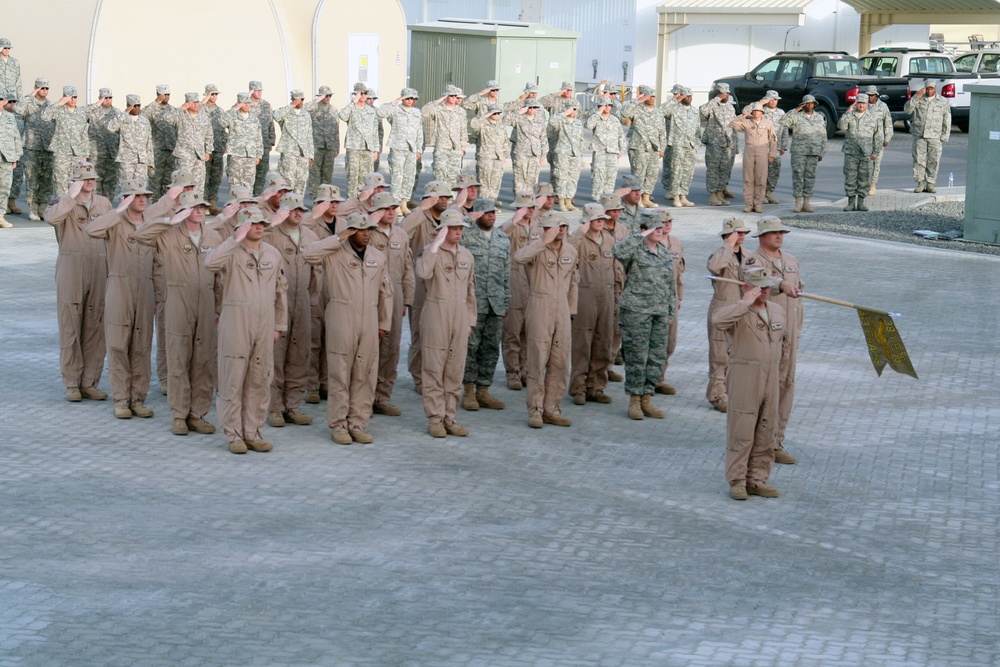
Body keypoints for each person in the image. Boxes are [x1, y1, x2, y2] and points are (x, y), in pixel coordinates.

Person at [133, 188, 223, 436]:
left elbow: (219, 278)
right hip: (177, 301)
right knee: (178, 359)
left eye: (202, 208)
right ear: (183, 210)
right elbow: (140, 236)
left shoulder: (213, 238)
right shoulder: (168, 235)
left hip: (205, 302)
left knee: (203, 361)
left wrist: (218, 307)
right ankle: (179, 414)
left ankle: (198, 414)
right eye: (193, 207)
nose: (199, 211)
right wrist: (167, 221)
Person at [204, 206, 288, 454]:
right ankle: (234, 434)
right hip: (236, 323)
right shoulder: (230, 252)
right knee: (233, 380)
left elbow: (281, 290)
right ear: (241, 227)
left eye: (261, 223)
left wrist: (279, 325)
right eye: (252, 223)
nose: (259, 227)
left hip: (265, 324)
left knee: (260, 380)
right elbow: (210, 263)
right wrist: (233, 239)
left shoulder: (273, 253)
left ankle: (253, 432)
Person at [304, 211, 392, 445]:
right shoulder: (334, 254)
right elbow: (310, 254)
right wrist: (339, 237)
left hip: (369, 318)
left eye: (369, 230)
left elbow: (386, 292)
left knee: (365, 374)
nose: (366, 235)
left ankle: (358, 422)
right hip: (342, 316)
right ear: (351, 231)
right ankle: (339, 425)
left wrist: (383, 323)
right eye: (361, 230)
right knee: (340, 373)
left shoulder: (377, 256)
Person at [712, 267, 789, 500]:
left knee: (767, 429)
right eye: (759, 286)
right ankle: (737, 480)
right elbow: (717, 321)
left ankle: (757, 479)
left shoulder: (776, 310)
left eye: (767, 286)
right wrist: (744, 304)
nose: (764, 291)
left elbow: (784, 343)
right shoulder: (737, 311)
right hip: (745, 375)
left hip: (771, 376)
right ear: (747, 287)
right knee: (742, 430)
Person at [85, 176, 158, 420]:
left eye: (144, 196)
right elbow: (91, 230)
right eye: (135, 196)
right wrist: (118, 211)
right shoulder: (116, 222)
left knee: (142, 346)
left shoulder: (151, 223)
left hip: (145, 288)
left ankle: (138, 399)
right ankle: (121, 400)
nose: (141, 200)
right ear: (126, 199)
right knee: (118, 345)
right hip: (119, 285)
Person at [44, 161, 111, 402]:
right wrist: (70, 196)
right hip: (72, 268)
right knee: (71, 325)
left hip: (99, 267)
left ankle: (89, 381)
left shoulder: (104, 203)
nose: (90, 181)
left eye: (92, 177)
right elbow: (51, 219)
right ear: (74, 181)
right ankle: (72, 382)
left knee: (95, 326)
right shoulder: (61, 202)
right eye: (84, 178)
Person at [742, 216, 802, 465]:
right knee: (766, 389)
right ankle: (759, 443)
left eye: (781, 232)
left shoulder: (790, 260)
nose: (779, 236)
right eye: (774, 232)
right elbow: (757, 278)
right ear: (762, 236)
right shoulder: (753, 260)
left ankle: (776, 441)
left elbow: (798, 295)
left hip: (789, 335)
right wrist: (780, 283)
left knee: (785, 386)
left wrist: (796, 328)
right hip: (766, 335)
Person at [513, 211, 578, 429]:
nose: (560, 230)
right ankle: (535, 410)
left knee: (560, 361)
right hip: (540, 304)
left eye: (563, 227)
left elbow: (573, 282)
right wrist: (543, 241)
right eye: (555, 227)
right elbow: (519, 258)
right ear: (545, 229)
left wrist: (571, 310)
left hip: (562, 308)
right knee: (537, 360)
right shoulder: (537, 248)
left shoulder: (571, 251)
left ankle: (552, 408)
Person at [418, 208, 477, 437]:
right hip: (436, 313)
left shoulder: (466, 256)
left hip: (460, 317)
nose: (458, 232)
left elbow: (471, 290)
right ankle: (435, 418)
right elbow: (423, 273)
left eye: (461, 228)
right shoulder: (430, 252)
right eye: (453, 228)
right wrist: (435, 244)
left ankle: (450, 418)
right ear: (443, 229)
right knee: (434, 368)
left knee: (454, 370)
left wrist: (470, 320)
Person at [613, 211, 676, 420]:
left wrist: (670, 311)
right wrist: (639, 235)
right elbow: (618, 251)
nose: (659, 232)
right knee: (636, 357)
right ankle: (634, 400)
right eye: (654, 228)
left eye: (661, 228)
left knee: (656, 357)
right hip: (636, 312)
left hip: (658, 311)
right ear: (644, 230)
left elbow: (670, 285)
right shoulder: (634, 250)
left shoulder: (665, 253)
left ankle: (647, 398)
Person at [264, 191, 317, 429]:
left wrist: (312, 298)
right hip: (279, 302)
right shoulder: (271, 235)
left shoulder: (310, 236)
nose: (298, 214)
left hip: (302, 301)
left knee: (300, 354)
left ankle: (292, 405)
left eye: (301, 210)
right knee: (277, 356)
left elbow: (317, 271)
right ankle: (275, 407)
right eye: (292, 209)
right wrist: (271, 223)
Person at [403, 180, 456, 393]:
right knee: (419, 333)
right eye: (438, 197)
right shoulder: (419, 218)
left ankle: (439, 376)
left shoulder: (447, 219)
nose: (443, 201)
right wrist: (419, 210)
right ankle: (419, 377)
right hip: (420, 285)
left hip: (442, 285)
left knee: (441, 333)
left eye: (445, 197)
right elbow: (401, 231)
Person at [368, 192, 414, 416]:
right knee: (368, 348)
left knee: (391, 348)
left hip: (394, 295)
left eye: (392, 208)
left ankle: (382, 397)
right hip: (369, 295)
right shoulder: (364, 231)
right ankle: (364, 398)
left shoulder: (401, 235)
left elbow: (407, 269)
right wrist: (369, 225)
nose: (390, 212)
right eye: (385, 208)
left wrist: (407, 298)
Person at [462, 198, 510, 411]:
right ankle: (469, 390)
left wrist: (506, 300)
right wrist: (466, 219)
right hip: (473, 302)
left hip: (496, 303)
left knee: (491, 348)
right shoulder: (465, 236)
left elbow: (506, 272)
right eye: (486, 212)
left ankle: (484, 390)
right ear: (477, 214)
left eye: (493, 212)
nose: (491, 215)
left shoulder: (502, 239)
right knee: (471, 347)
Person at [568, 205, 617, 406]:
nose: (600, 221)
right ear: (587, 220)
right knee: (582, 344)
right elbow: (568, 255)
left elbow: (617, 269)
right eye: (596, 218)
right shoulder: (578, 241)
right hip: (584, 297)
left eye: (602, 218)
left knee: (603, 342)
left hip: (606, 296)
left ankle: (596, 387)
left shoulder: (609, 241)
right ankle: (578, 388)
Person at [303, 183, 345, 404]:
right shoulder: (310, 224)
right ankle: (311, 384)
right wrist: (313, 215)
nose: (335, 206)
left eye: (337, 202)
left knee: (333, 338)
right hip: (316, 285)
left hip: (338, 285)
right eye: (330, 202)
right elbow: (299, 230)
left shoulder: (344, 224)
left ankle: (327, 382)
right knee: (313, 339)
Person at [706, 217, 751, 413]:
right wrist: (727, 245)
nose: (741, 236)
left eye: (743, 233)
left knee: (739, 354)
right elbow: (714, 267)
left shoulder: (749, 255)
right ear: (727, 235)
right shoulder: (719, 254)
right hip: (722, 309)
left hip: (742, 310)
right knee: (719, 355)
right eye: (737, 232)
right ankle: (717, 395)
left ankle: (733, 392)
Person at [499, 190, 538, 390]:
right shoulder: (511, 227)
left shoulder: (538, 227)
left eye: (532, 207)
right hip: (515, 282)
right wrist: (514, 221)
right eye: (525, 207)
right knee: (512, 332)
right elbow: (497, 236)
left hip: (534, 284)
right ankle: (512, 372)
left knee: (529, 333)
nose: (529, 211)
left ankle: (525, 370)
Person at [13, 78, 54, 220]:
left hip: (47, 148)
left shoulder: (50, 105)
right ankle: (32, 209)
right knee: (32, 178)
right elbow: (17, 109)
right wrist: (31, 95)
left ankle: (42, 207)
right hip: (32, 147)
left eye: (46, 88)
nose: (44, 91)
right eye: (41, 88)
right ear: (36, 88)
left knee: (46, 180)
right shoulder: (28, 103)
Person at [377, 87, 422, 214]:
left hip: (411, 148)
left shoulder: (417, 112)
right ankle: (395, 204)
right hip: (397, 147)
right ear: (403, 98)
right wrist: (396, 101)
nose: (411, 100)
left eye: (413, 98)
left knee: (409, 176)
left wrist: (419, 148)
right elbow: (380, 113)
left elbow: (419, 131)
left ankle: (404, 203)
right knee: (397, 175)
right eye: (408, 98)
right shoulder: (395, 110)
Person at [654, 209, 685, 395]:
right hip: (652, 298)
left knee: (669, 341)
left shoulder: (676, 244)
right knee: (653, 341)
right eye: (663, 222)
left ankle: (659, 378)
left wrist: (679, 296)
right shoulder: (648, 243)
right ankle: (648, 381)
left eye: (669, 221)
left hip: (670, 298)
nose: (667, 225)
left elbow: (678, 274)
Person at [779, 95, 827, 213]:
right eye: (807, 103)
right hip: (799, 151)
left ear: (814, 104)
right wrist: (795, 110)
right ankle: (798, 203)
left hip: (813, 151)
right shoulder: (796, 116)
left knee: (810, 177)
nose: (809, 105)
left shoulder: (819, 118)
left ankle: (806, 203)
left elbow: (823, 135)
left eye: (811, 103)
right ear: (803, 104)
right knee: (798, 176)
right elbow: (783, 122)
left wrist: (822, 151)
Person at [620, 85, 666, 207]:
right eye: (648, 96)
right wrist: (636, 101)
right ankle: (637, 198)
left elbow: (662, 131)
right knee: (638, 173)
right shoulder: (636, 109)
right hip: (639, 147)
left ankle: (646, 197)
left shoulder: (658, 111)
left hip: (654, 148)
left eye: (653, 96)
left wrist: (662, 148)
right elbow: (623, 113)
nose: (651, 98)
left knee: (652, 174)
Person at [904, 78, 951, 194]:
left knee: (934, 160)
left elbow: (947, 119)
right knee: (919, 160)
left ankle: (930, 183)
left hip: (935, 136)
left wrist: (945, 135)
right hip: (919, 135)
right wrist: (916, 97)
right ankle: (920, 183)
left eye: (931, 89)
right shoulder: (919, 99)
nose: (929, 91)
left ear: (935, 89)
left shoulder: (943, 101)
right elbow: (907, 110)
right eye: (928, 89)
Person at [729, 102, 777, 214]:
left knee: (761, 179)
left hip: (762, 152)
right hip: (749, 152)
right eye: (754, 111)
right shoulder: (747, 122)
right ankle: (749, 204)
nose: (756, 112)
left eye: (758, 111)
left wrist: (772, 154)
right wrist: (744, 115)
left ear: (762, 112)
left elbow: (773, 139)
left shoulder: (768, 123)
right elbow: (732, 124)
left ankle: (758, 204)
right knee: (748, 179)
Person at [42, 86, 90, 197]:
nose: (73, 100)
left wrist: (85, 155)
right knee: (60, 183)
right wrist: (59, 103)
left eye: (75, 97)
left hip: (77, 154)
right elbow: (45, 116)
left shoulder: (81, 113)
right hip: (61, 153)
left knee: (76, 184)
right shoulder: (58, 110)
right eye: (70, 97)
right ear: (64, 97)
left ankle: (74, 211)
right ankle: (62, 210)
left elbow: (84, 135)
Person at [837, 98, 883, 212]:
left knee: (865, 177)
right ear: (856, 103)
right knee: (850, 177)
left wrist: (876, 152)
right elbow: (841, 126)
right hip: (851, 152)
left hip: (866, 153)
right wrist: (848, 111)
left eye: (863, 103)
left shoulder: (873, 117)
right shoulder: (850, 115)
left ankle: (861, 202)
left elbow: (878, 136)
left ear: (867, 104)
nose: (861, 105)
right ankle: (851, 202)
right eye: (859, 103)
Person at [742, 90, 787, 205]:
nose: (773, 102)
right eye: (771, 99)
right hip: (759, 146)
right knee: (759, 172)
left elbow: (784, 129)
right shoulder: (759, 110)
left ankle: (769, 193)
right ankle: (759, 195)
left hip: (774, 146)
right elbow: (744, 112)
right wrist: (760, 103)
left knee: (774, 171)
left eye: (776, 99)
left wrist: (783, 146)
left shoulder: (781, 113)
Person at [422, 85, 468, 187]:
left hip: (455, 148)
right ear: (446, 96)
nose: (454, 98)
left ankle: (451, 200)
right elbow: (424, 112)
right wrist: (438, 101)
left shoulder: (461, 112)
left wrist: (463, 147)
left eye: (455, 96)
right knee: (440, 174)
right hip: (441, 146)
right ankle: (440, 199)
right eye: (451, 95)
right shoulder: (438, 110)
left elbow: (463, 131)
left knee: (454, 176)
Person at [339, 83, 380, 197]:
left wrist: (376, 149)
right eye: (361, 93)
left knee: (366, 177)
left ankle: (363, 201)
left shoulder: (371, 111)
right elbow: (342, 115)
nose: (363, 95)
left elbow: (374, 131)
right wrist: (353, 102)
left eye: (365, 93)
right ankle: (351, 202)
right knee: (353, 176)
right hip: (354, 147)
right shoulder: (351, 108)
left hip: (368, 148)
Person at [662, 86, 700, 207]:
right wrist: (675, 100)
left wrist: (696, 143)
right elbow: (661, 111)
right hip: (677, 144)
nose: (688, 98)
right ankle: (676, 196)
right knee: (676, 171)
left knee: (688, 171)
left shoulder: (695, 111)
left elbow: (698, 130)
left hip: (690, 145)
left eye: (690, 96)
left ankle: (683, 195)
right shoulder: (674, 109)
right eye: (685, 96)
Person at [700, 83, 737, 207]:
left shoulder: (730, 107)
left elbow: (733, 126)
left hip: (727, 143)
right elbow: (703, 111)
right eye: (722, 93)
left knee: (724, 169)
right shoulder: (712, 105)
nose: (725, 95)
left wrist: (734, 144)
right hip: (714, 142)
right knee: (713, 169)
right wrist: (716, 99)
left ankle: (720, 193)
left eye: (727, 93)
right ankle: (712, 196)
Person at [167, 92, 213, 191]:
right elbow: (167, 119)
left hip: (199, 155)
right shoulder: (180, 115)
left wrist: (208, 151)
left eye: (197, 102)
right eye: (193, 103)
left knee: (199, 183)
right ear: (187, 103)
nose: (196, 105)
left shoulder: (204, 116)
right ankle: (183, 205)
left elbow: (209, 134)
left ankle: (197, 204)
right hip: (184, 155)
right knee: (183, 183)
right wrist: (181, 108)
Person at [218, 92, 263, 191]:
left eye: (248, 103)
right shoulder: (232, 116)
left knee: (249, 183)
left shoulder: (254, 118)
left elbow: (258, 138)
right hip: (236, 155)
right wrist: (235, 108)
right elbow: (221, 122)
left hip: (250, 155)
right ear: (239, 103)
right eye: (244, 103)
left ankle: (247, 205)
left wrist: (258, 155)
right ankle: (235, 205)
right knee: (235, 183)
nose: (247, 105)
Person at [273, 90, 314, 196]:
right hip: (289, 151)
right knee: (288, 181)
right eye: (298, 99)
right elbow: (276, 116)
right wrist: (291, 105)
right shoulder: (286, 112)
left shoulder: (306, 115)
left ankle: (298, 206)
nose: (300, 102)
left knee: (301, 181)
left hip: (303, 153)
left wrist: (310, 154)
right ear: (293, 99)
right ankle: (287, 205)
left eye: (302, 99)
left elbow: (309, 135)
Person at [107, 94, 154, 187]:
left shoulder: (144, 121)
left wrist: (150, 162)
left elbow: (149, 143)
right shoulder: (122, 118)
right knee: (125, 188)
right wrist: (125, 113)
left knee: (140, 189)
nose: (137, 108)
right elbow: (110, 128)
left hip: (141, 161)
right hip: (126, 160)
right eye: (134, 106)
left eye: (138, 105)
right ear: (128, 105)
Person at [584, 98, 627, 200]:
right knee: (598, 175)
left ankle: (608, 198)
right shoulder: (596, 118)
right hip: (600, 151)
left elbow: (620, 135)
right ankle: (597, 198)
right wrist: (598, 112)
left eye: (609, 105)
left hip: (613, 152)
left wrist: (621, 149)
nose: (607, 107)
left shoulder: (615, 120)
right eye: (604, 105)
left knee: (611, 176)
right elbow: (588, 126)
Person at [84, 88, 122, 200]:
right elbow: (81, 113)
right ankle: (95, 207)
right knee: (95, 181)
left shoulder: (117, 113)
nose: (108, 100)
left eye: (110, 98)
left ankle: (107, 208)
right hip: (96, 153)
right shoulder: (93, 111)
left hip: (112, 153)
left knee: (111, 182)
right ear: (100, 98)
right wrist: (96, 104)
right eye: (105, 98)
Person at [470, 105, 509, 206]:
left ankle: (492, 199)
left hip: (498, 156)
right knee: (484, 178)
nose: (496, 115)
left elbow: (505, 141)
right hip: (485, 155)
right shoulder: (482, 124)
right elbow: (473, 124)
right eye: (494, 113)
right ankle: (484, 200)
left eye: (498, 113)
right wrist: (485, 115)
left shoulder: (501, 126)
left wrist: (505, 154)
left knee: (496, 179)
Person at [141, 84, 176, 199]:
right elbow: (141, 116)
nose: (166, 97)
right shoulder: (151, 109)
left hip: (170, 150)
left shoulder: (173, 110)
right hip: (156, 150)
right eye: (164, 94)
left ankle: (166, 207)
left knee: (168, 180)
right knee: (155, 180)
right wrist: (156, 102)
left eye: (168, 94)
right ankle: (155, 207)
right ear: (158, 94)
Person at [508, 98, 548, 197]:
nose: (532, 109)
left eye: (534, 107)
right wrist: (519, 112)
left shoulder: (539, 121)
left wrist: (543, 154)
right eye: (530, 107)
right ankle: (520, 200)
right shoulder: (519, 118)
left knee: (532, 178)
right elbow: (505, 120)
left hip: (535, 153)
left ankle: (530, 199)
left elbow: (543, 138)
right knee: (520, 177)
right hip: (521, 152)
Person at [305, 85, 340, 200]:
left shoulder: (334, 110)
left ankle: (326, 198)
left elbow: (336, 129)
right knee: (315, 174)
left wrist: (336, 147)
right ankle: (316, 198)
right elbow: (303, 109)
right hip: (316, 146)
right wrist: (317, 100)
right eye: (325, 96)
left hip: (329, 146)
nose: (328, 98)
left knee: (327, 174)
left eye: (329, 95)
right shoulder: (313, 108)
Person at [549, 100, 584, 212]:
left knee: (573, 178)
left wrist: (580, 149)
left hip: (575, 153)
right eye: (571, 109)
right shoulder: (561, 120)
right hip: (563, 152)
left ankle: (569, 201)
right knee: (561, 177)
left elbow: (581, 137)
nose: (574, 111)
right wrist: (564, 113)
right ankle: (561, 202)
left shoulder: (578, 122)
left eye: (575, 109)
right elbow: (551, 121)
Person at [247, 81, 276, 196]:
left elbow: (270, 123)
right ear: (251, 90)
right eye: (256, 90)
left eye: (260, 90)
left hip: (264, 143)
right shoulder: (245, 104)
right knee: (249, 173)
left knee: (262, 172)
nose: (259, 92)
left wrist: (271, 140)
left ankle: (258, 197)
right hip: (250, 144)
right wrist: (246, 96)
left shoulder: (266, 105)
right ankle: (248, 197)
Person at [863, 85, 893, 195]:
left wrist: (887, 138)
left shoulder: (883, 107)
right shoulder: (862, 105)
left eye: (871, 95)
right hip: (864, 139)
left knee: (876, 164)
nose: (869, 97)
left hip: (878, 140)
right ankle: (864, 185)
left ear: (876, 95)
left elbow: (888, 124)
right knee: (864, 164)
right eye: (868, 95)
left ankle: (872, 185)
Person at [201, 84, 225, 213]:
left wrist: (224, 143)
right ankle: (203, 203)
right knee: (204, 176)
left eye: (216, 94)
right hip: (205, 149)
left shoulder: (220, 111)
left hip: (217, 147)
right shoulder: (201, 109)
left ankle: (212, 203)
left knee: (216, 176)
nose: (214, 96)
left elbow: (224, 129)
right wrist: (204, 101)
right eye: (212, 94)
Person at [0, 91, 22, 228]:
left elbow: (16, 137)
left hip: (6, 157)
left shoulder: (9, 117)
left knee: (4, 188)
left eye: (0, 98)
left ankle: (0, 216)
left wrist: (16, 157)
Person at [0, 38, 22, 102]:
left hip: (12, 97)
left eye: (8, 48)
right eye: (5, 48)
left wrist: (20, 98)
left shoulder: (15, 62)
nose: (7, 50)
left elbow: (18, 81)